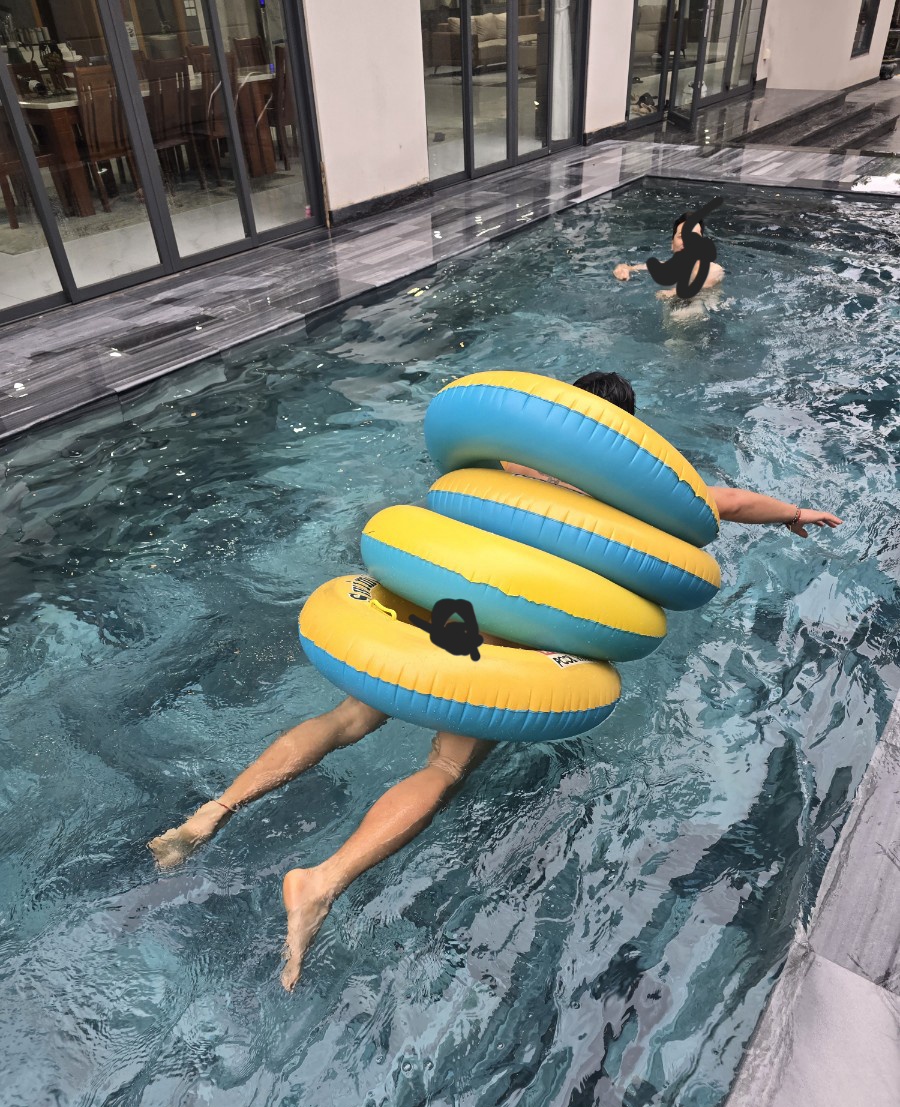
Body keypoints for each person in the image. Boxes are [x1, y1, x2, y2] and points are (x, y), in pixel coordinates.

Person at [148, 371, 841, 991]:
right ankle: (321, 881)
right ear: (627, 434)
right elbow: (729, 501)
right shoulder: (640, 502)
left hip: (442, 602)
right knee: (445, 767)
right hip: (512, 633)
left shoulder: (508, 463)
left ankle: (215, 810)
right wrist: (795, 513)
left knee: (349, 718)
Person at [613, 213, 725, 299]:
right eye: (681, 236)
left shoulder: (713, 269)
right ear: (672, 244)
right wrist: (622, 270)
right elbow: (629, 267)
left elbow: (704, 283)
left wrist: (673, 293)